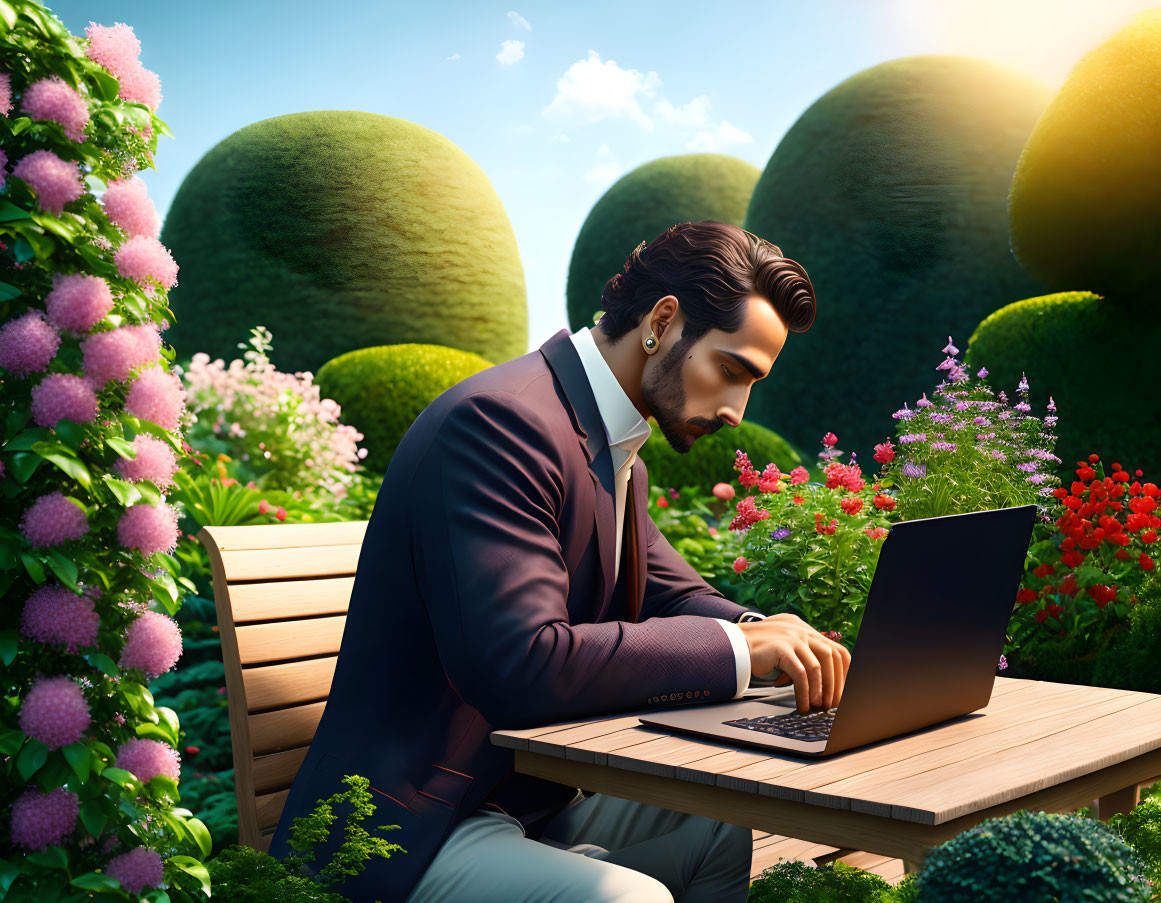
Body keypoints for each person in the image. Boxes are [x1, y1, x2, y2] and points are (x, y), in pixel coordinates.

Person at [268, 220, 852, 902]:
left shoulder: (606, 436)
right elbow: (521, 661)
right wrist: (741, 647)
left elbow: (668, 591)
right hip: (415, 819)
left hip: (523, 793)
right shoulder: (500, 424)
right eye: (730, 369)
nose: (734, 409)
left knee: (721, 830)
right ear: (663, 320)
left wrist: (771, 630)